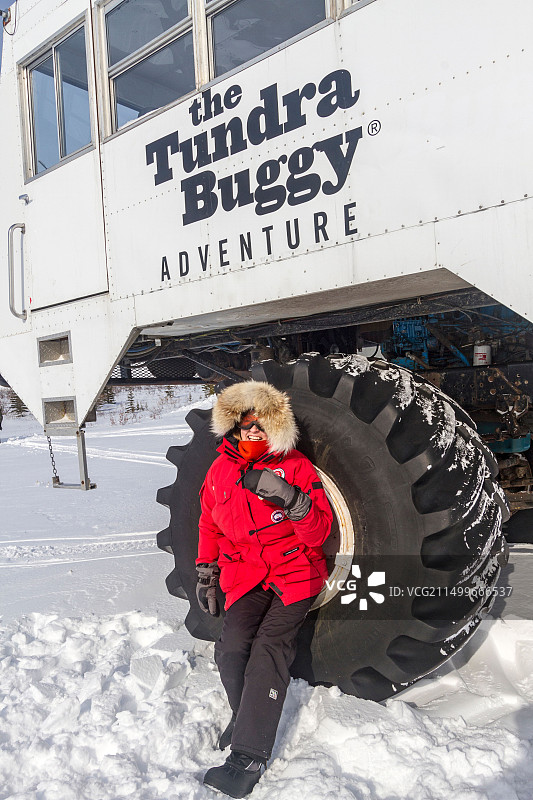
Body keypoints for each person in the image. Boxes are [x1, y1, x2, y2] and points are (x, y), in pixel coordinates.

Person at [195, 380, 333, 798]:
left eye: (261, 424)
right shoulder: (219, 471)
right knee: (232, 646)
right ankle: (246, 715)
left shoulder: (296, 468)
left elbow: (319, 532)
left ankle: (249, 755)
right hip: (247, 575)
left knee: (269, 648)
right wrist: (206, 570)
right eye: (246, 424)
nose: (253, 432)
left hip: (296, 573)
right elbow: (208, 523)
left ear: (275, 426)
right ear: (234, 427)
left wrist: (293, 500)